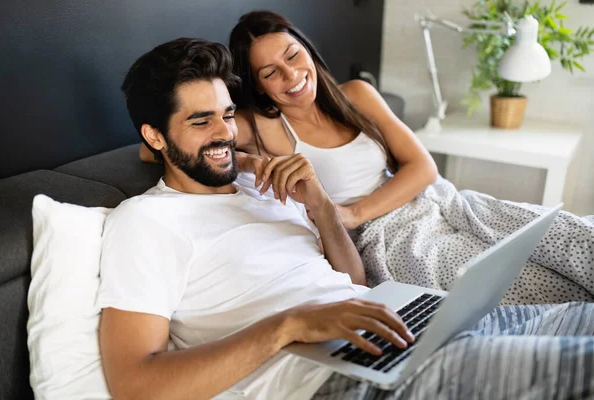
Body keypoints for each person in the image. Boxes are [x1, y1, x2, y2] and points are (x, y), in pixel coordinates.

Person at [105, 37, 594, 400]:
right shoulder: (145, 222)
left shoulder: (264, 186)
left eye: (228, 114)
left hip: (389, 328)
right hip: (332, 382)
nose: (225, 133)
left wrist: (319, 207)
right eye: (200, 120)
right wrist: (290, 324)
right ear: (154, 136)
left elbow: (353, 280)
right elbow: (134, 382)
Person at [222, 10, 594, 305]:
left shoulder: (355, 94)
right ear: (258, 85)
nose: (292, 75)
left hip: (438, 203)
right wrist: (253, 163)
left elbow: (423, 167)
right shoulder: (259, 125)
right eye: (271, 73)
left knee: (564, 235)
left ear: (307, 49)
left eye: (293, 55)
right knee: (526, 283)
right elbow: (206, 143)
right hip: (390, 240)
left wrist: (355, 211)